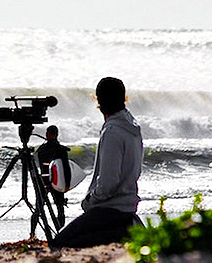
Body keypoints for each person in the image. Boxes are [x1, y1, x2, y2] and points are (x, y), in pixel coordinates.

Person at [50, 77, 143, 248]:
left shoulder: (112, 131)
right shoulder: (133, 128)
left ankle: (124, 232)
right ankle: (126, 229)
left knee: (59, 244)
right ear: (123, 98)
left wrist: (90, 201)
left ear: (98, 100)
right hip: (127, 208)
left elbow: (108, 183)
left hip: (109, 210)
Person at [35, 125, 71, 228]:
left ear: (47, 134)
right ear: (57, 134)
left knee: (39, 207)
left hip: (43, 181)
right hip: (57, 181)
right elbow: (66, 168)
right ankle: (60, 231)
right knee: (60, 208)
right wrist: (67, 185)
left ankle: (32, 233)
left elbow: (38, 163)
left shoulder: (41, 149)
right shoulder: (61, 149)